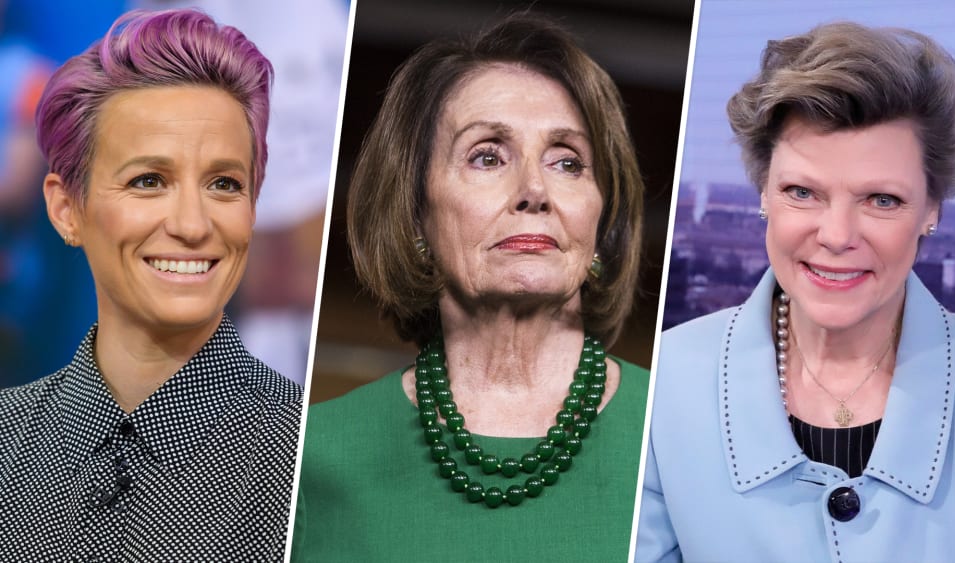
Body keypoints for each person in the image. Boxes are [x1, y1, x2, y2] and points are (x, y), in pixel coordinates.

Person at [636, 22, 955, 562]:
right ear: (763, 193)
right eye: (802, 192)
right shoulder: (664, 381)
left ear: (932, 210)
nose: (836, 235)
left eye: (881, 200)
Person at [293, 14, 648, 561]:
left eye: (567, 162)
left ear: (603, 218)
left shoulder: (678, 431)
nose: (534, 190)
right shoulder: (313, 455)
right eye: (487, 156)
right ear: (415, 213)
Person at [0, 10, 302, 561]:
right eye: (148, 180)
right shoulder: (8, 439)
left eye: (224, 184)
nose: (192, 224)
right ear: (66, 210)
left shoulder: (312, 461)